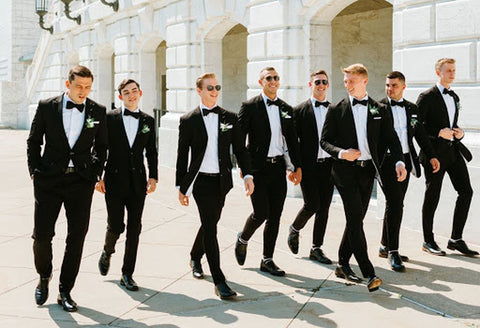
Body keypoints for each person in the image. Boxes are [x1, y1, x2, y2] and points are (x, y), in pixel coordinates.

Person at [27, 65, 107, 312]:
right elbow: (33, 141)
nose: (83, 92)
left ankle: (65, 290)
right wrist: (35, 172)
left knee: (76, 237)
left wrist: (94, 174)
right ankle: (44, 275)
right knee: (42, 235)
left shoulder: (97, 110)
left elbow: (102, 147)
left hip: (80, 182)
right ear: (67, 84)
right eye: (78, 86)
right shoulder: (46, 106)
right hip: (48, 181)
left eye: (87, 87)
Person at [320, 63, 407, 292]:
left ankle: (341, 263)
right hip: (344, 172)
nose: (346, 84)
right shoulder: (336, 108)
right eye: (345, 81)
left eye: (351, 80)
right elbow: (324, 141)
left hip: (368, 171)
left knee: (355, 219)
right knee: (356, 218)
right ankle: (369, 273)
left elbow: (392, 139)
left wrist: (399, 161)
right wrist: (342, 153)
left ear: (364, 81)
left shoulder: (380, 109)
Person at [176, 73, 254, 299]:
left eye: (217, 86)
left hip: (221, 181)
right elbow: (182, 155)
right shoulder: (188, 120)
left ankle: (194, 254)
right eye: (209, 87)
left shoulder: (229, 117)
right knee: (211, 227)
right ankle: (219, 280)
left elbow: (240, 149)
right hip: (200, 181)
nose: (214, 90)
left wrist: (247, 174)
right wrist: (181, 187)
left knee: (210, 221)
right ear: (199, 90)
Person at [234, 67, 302, 277]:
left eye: (276, 78)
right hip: (257, 169)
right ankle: (243, 238)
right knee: (261, 213)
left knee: (275, 216)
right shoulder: (249, 106)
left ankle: (267, 259)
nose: (273, 81)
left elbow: (291, 140)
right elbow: (238, 141)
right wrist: (245, 171)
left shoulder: (286, 108)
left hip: (278, 167)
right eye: (268, 78)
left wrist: (295, 166)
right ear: (260, 81)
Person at [96, 79, 158, 291]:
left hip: (138, 183)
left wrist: (154, 176)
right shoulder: (109, 118)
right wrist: (98, 176)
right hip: (113, 180)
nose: (131, 95)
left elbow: (151, 151)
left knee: (134, 228)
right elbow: (100, 148)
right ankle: (107, 250)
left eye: (134, 91)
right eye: (126, 92)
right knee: (116, 225)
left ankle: (127, 273)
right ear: (120, 96)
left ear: (140, 93)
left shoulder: (148, 120)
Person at [378, 71, 440, 271]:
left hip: (405, 159)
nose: (390, 89)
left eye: (394, 85)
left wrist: (431, 156)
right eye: (388, 85)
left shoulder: (412, 109)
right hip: (386, 161)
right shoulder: (378, 107)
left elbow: (420, 135)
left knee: (395, 203)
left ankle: (384, 245)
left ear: (403, 86)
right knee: (395, 203)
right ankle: (393, 252)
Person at [416, 58, 478, 256]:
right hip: (434, 154)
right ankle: (428, 240)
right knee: (433, 195)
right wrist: (437, 133)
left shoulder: (455, 97)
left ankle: (456, 239)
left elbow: (451, 124)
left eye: (453, 70)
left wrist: (459, 133)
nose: (452, 73)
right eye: (448, 70)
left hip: (452, 152)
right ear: (438, 73)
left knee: (466, 192)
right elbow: (417, 126)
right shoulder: (426, 96)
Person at [288, 70, 334, 264]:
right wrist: (294, 167)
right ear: (310, 85)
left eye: (324, 82)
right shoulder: (299, 110)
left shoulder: (334, 109)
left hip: (329, 166)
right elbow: (292, 142)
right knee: (312, 204)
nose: (321, 85)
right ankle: (295, 228)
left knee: (324, 208)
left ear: (328, 85)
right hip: (309, 166)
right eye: (317, 82)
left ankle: (316, 247)